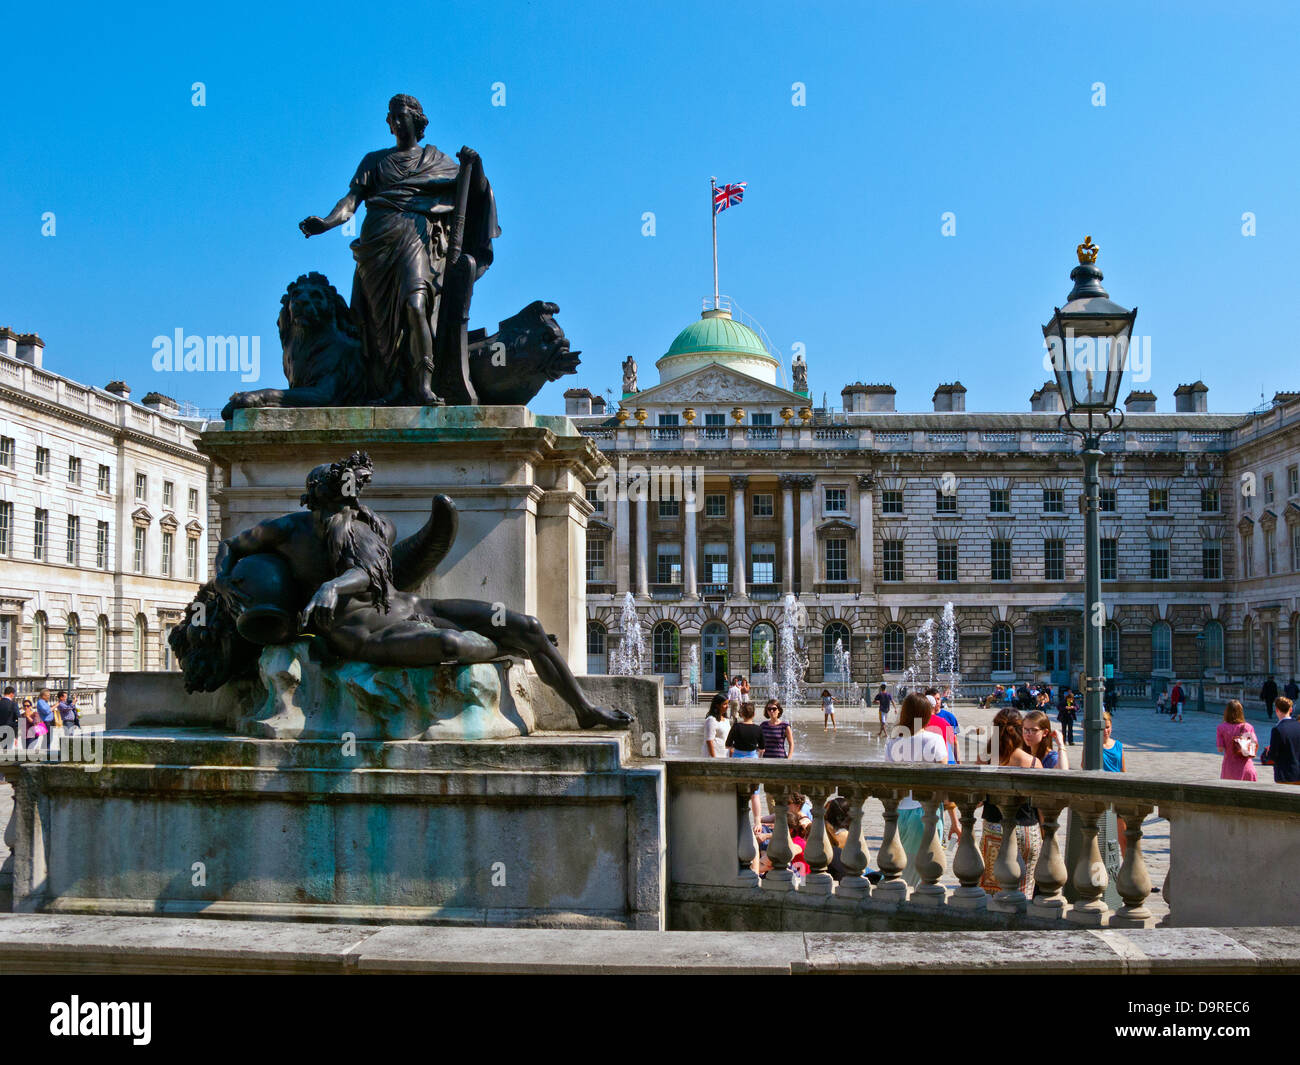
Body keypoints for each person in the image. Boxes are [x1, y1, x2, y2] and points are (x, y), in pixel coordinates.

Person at [884, 693, 948, 887]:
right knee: (926, 872)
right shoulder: (934, 739)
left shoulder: (892, 742)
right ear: (926, 714)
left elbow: (888, 778)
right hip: (925, 811)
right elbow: (944, 776)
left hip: (899, 811)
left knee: (903, 869)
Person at [977, 708, 1042, 898]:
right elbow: (1041, 804)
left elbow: (979, 797)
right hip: (1026, 830)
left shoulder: (986, 759)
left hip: (993, 828)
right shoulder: (1032, 763)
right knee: (1023, 890)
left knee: (991, 890)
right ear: (1020, 730)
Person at [1216, 700, 1257, 781]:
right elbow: (1254, 745)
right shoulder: (1248, 727)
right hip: (1247, 768)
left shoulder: (1221, 728)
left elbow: (1220, 749)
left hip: (1230, 769)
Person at [1261, 697, 1300, 784]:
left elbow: (1273, 755)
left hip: (1285, 775)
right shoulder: (1298, 726)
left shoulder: (1277, 729)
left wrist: (1267, 753)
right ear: (1290, 709)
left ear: (1277, 710)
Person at [702, 693, 730, 758]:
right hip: (715, 756)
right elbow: (709, 741)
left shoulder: (726, 720)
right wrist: (714, 758)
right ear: (717, 705)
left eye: (728, 703)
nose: (727, 706)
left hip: (724, 754)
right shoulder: (711, 720)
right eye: (724, 704)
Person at [0, 685, 17, 750]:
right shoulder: (13, 704)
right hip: (9, 730)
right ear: (11, 694)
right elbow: (19, 718)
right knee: (8, 750)